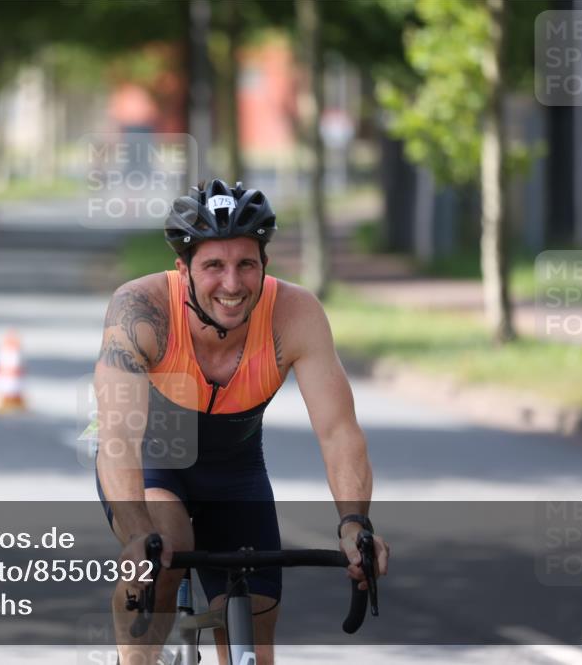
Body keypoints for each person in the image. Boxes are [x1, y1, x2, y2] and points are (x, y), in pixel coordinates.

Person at [94, 179, 389, 665]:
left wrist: (354, 523)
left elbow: (338, 432)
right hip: (154, 462)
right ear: (182, 268)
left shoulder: (295, 313)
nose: (231, 284)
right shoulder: (140, 309)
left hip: (236, 473)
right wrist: (134, 533)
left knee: (253, 642)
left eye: (245, 265)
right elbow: (119, 439)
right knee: (163, 549)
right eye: (213, 266)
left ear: (265, 265)